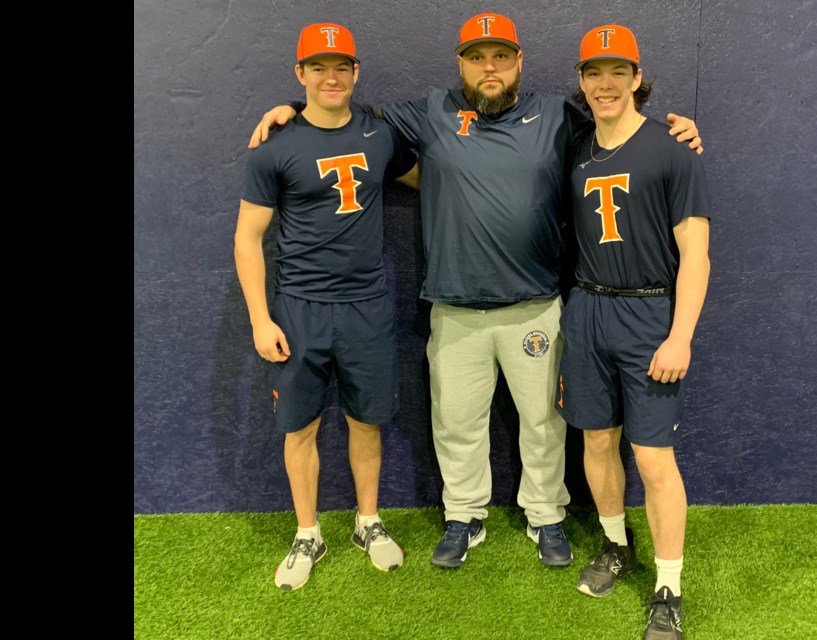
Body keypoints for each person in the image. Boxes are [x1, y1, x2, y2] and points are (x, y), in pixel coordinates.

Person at [247, 12, 703, 571]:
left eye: (501, 56)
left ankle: (546, 516)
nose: (490, 68)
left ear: (519, 62)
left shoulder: (559, 115)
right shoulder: (431, 111)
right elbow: (343, 114)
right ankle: (464, 515)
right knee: (457, 421)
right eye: (476, 57)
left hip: (534, 303)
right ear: (460, 63)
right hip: (455, 305)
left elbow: (621, 129)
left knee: (543, 422)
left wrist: (676, 130)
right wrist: (290, 110)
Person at [234, 22, 419, 591]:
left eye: (341, 66)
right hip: (299, 307)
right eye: (318, 67)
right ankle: (308, 531)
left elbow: (435, 179)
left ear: (356, 72)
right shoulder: (277, 145)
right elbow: (247, 238)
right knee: (301, 428)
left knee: (367, 421)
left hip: (365, 304)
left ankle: (367, 520)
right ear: (301, 74)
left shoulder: (380, 135)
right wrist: (261, 319)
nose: (331, 77)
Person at [555, 24, 710, 639]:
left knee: (652, 455)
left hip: (651, 313)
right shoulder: (575, 146)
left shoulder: (672, 148)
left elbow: (695, 254)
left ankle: (669, 586)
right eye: (594, 72)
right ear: (582, 81)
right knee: (596, 443)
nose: (606, 83)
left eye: (618, 72)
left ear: (638, 78)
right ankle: (617, 546)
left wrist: (681, 336)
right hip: (588, 309)